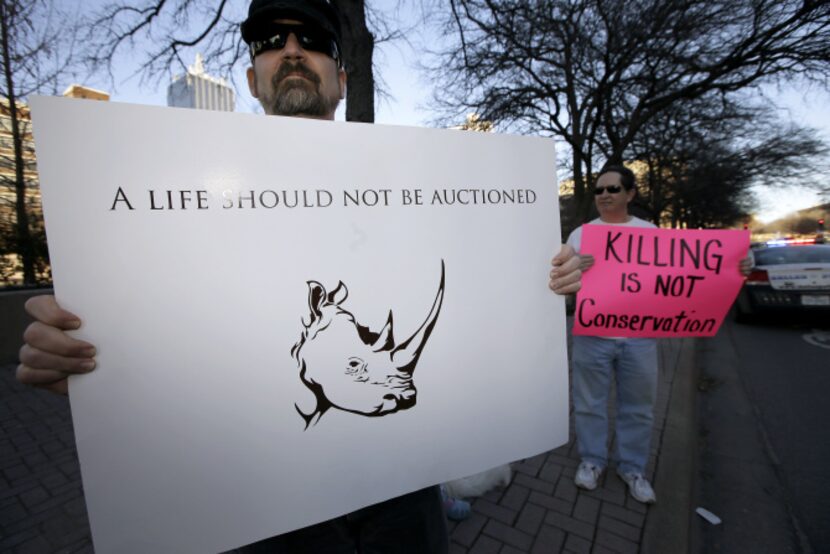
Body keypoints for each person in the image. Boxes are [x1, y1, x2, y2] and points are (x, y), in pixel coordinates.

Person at [16, 0, 583, 551]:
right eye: (271, 41)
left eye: (312, 39)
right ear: (251, 77)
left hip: (405, 495)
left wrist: (539, 280)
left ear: (340, 75)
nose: (291, 49)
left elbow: (467, 289)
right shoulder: (186, 201)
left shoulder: (415, 180)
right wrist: (95, 359)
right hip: (268, 511)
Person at [566, 165, 751, 505]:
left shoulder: (650, 231)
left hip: (639, 338)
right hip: (592, 336)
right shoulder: (580, 236)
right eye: (599, 190)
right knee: (589, 404)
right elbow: (563, 284)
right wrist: (576, 270)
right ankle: (592, 461)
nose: (605, 195)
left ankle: (632, 468)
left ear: (630, 194)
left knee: (638, 407)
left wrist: (736, 263)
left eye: (613, 189)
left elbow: (688, 271)